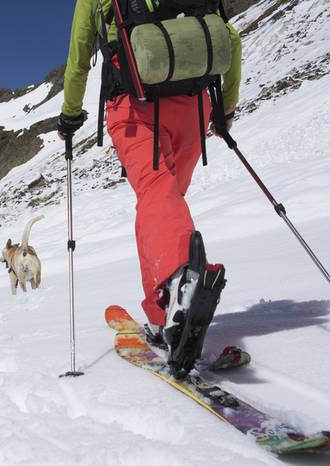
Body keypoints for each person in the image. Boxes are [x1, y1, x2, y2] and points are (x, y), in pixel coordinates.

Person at [58, 0, 242, 375]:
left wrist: (70, 112)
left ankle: (181, 284)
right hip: (194, 104)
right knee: (162, 200)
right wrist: (226, 108)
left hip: (134, 105)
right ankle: (161, 315)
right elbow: (230, 38)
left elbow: (79, 55)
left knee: (157, 193)